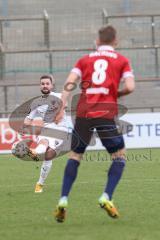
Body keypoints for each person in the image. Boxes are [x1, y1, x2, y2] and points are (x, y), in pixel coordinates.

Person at [54, 25, 135, 222]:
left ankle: (63, 199)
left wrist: (62, 105)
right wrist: (117, 93)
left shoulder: (84, 60)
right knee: (119, 156)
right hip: (106, 113)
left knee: (75, 156)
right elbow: (131, 87)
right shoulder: (122, 60)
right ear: (115, 41)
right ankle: (107, 196)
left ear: (97, 42)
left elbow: (69, 83)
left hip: (84, 113)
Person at [23, 74, 68, 193]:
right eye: (43, 84)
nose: (45, 86)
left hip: (61, 130)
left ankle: (35, 153)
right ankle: (39, 183)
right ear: (40, 86)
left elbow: (65, 104)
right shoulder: (36, 103)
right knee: (45, 146)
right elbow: (28, 119)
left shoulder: (58, 96)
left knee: (48, 154)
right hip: (46, 130)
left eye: (47, 83)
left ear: (52, 85)